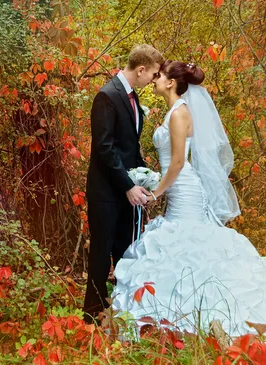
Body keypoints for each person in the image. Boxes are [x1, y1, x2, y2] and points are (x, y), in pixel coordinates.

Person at [110, 60, 266, 346]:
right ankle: (182, 318)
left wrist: (156, 192)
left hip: (183, 188)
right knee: (183, 247)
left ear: (171, 82)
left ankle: (202, 315)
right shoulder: (176, 111)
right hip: (180, 186)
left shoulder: (178, 114)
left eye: (159, 76)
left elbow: (176, 163)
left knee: (188, 245)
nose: (154, 80)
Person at [84, 44, 164, 323]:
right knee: (101, 252)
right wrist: (129, 185)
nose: (153, 80)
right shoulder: (106, 96)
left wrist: (144, 175)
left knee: (124, 250)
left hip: (125, 190)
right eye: (153, 74)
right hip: (106, 191)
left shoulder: (131, 99)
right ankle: (91, 315)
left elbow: (128, 148)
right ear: (140, 70)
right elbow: (104, 149)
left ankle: (119, 309)